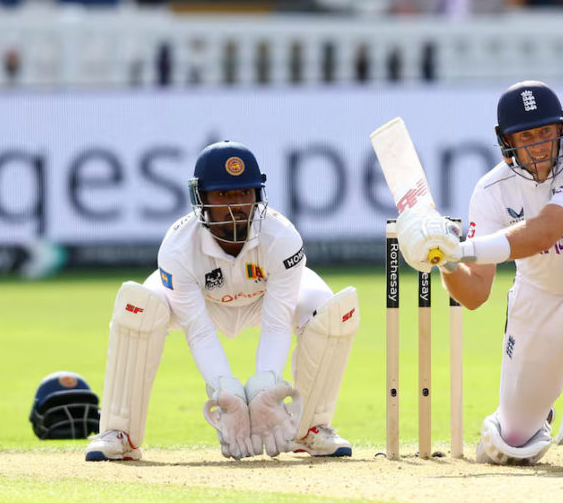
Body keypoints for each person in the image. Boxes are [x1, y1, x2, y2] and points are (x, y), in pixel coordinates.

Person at [395, 80, 563, 469]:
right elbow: (473, 295)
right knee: (509, 444)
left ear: (562, 132)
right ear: (506, 143)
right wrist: (444, 259)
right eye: (526, 136)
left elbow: (543, 233)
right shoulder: (490, 192)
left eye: (545, 133)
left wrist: (462, 247)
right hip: (541, 299)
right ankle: (529, 419)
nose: (538, 145)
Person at [85, 141, 359, 461]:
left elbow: (276, 322)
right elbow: (198, 331)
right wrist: (225, 392)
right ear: (201, 199)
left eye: (244, 193)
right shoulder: (177, 247)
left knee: (329, 310)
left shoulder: (282, 237)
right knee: (140, 308)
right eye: (224, 195)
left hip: (262, 300)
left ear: (258, 195)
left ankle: (311, 429)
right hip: (204, 304)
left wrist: (264, 391)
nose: (236, 206)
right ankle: (120, 432)